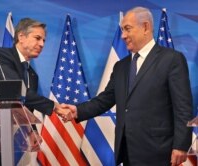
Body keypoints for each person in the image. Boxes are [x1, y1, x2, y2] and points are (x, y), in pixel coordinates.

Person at [61, 7, 193, 166]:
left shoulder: (171, 59)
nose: (123, 36)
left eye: (127, 29)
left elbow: (183, 107)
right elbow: (105, 99)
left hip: (158, 152)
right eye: (122, 30)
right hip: (127, 151)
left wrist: (181, 145)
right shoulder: (121, 67)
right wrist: (78, 110)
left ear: (145, 27)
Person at [0, 18, 67, 166]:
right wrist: (55, 106)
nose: (42, 44)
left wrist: (32, 131)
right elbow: (15, 90)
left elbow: (26, 107)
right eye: (37, 38)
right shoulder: (1, 55)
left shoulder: (32, 75)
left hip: (4, 142)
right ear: (21, 37)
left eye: (44, 40)